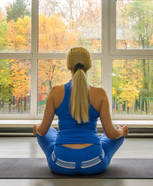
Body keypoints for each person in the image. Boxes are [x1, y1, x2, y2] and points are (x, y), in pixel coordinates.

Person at [33, 47, 129, 175]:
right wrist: (121, 131)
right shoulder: (99, 93)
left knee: (45, 131)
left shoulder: (55, 92)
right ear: (89, 67)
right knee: (118, 131)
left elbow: (43, 131)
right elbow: (111, 134)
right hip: (94, 162)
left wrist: (36, 128)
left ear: (68, 66)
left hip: (61, 163)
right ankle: (100, 140)